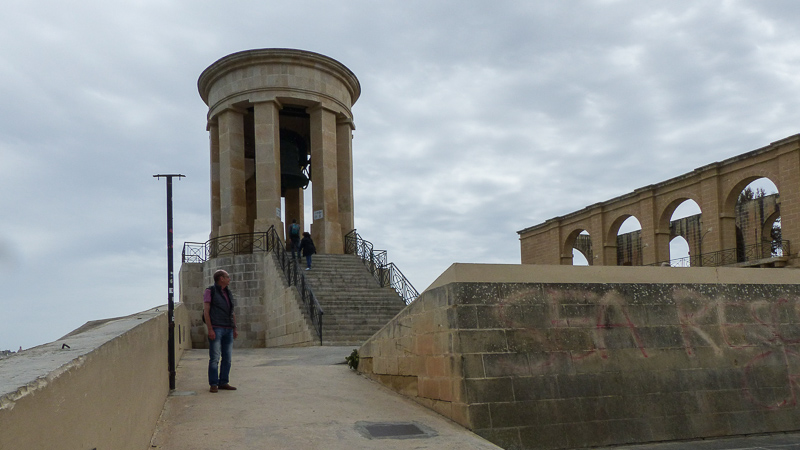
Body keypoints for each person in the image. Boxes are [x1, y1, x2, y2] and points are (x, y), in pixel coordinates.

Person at [203, 269, 238, 393]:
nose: (229, 279)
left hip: (228, 328)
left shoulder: (228, 293)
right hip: (217, 328)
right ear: (221, 278)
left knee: (227, 358)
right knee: (215, 358)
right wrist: (210, 329)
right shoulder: (210, 291)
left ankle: (223, 382)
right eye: (227, 277)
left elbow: (231, 311)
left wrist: (234, 327)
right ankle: (213, 383)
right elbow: (206, 311)